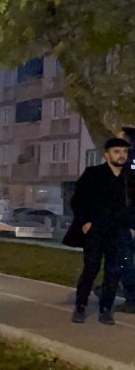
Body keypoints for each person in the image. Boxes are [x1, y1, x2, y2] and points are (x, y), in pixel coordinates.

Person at [68, 137, 135, 325]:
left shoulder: (129, 179)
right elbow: (78, 201)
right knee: (91, 269)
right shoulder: (93, 174)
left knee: (113, 272)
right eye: (117, 152)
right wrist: (85, 222)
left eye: (124, 152)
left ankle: (106, 309)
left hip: (119, 232)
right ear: (107, 155)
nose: (121, 155)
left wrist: (132, 227)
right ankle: (80, 306)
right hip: (96, 230)